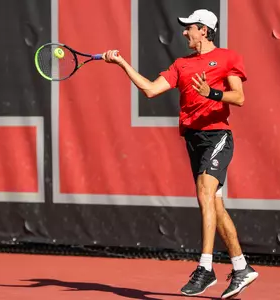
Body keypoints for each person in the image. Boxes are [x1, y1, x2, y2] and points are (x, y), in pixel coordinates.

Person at [102, 8, 258, 299]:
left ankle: (206, 267)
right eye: (186, 28)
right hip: (193, 140)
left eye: (190, 28)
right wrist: (122, 63)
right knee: (216, 206)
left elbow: (239, 97)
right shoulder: (181, 65)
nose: (185, 32)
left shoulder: (228, 58)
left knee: (204, 193)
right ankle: (241, 268)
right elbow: (149, 89)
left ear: (203, 30)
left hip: (218, 136)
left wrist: (211, 93)